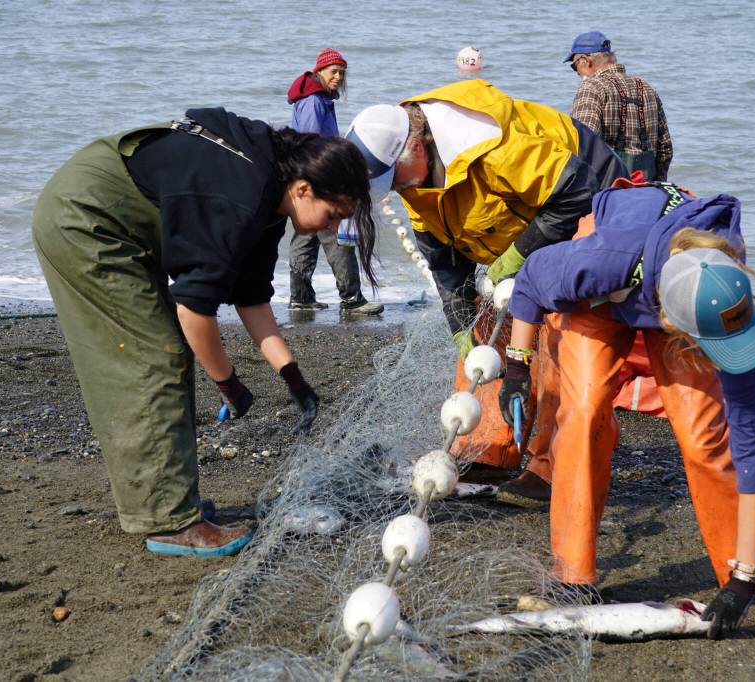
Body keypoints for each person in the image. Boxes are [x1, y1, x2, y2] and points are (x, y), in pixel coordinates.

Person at [498, 181, 755, 636]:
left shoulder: (723, 294)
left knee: (705, 436)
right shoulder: (597, 262)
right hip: (611, 278)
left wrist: (743, 578)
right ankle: (572, 576)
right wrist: (518, 370)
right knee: (581, 411)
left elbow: (751, 441)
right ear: (668, 326)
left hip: (683, 274)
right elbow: (530, 281)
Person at [32, 106, 378, 557]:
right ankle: (170, 520)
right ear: (304, 188)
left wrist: (292, 377)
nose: (332, 227)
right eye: (333, 215)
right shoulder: (245, 194)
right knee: (153, 355)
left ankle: (168, 499)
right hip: (86, 220)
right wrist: (227, 383)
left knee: (163, 351)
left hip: (115, 219)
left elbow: (250, 297)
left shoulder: (272, 195)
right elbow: (194, 308)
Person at [346, 79, 628, 505]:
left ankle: (550, 468)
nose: (398, 190)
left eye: (395, 180)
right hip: (529, 226)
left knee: (556, 341)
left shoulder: (493, 148)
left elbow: (576, 194)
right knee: (480, 335)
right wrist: (461, 326)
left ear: (417, 148)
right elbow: (444, 260)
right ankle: (488, 448)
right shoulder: (414, 177)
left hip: (592, 205)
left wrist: (516, 258)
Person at [286, 48, 383, 316]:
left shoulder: (315, 98)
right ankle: (352, 299)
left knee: (306, 236)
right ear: (319, 72)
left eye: (342, 72)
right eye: (333, 72)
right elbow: (312, 143)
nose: (338, 77)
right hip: (315, 176)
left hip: (303, 176)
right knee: (336, 235)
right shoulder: (314, 102)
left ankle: (301, 297)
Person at [565, 31, 673, 181]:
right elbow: (665, 148)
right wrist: (658, 183)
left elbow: (583, 143)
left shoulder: (591, 87)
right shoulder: (647, 88)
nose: (576, 73)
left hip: (610, 190)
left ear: (586, 61)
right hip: (647, 186)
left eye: (574, 66)